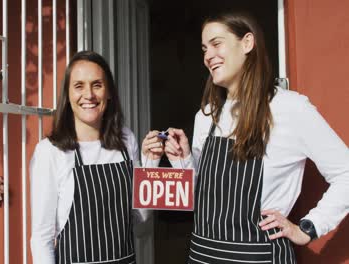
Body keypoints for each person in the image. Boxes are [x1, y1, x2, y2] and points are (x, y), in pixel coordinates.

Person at [142, 11, 349, 263]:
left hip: (257, 257)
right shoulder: (206, 115)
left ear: (247, 43)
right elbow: (204, 198)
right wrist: (183, 161)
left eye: (217, 44)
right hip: (203, 255)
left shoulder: (291, 109)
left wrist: (308, 228)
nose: (208, 56)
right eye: (204, 49)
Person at [30, 51, 147, 264]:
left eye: (97, 85)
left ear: (109, 92)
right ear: (68, 95)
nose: (89, 95)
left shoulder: (126, 140)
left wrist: (151, 164)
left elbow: (141, 218)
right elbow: (41, 237)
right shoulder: (50, 152)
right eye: (79, 86)